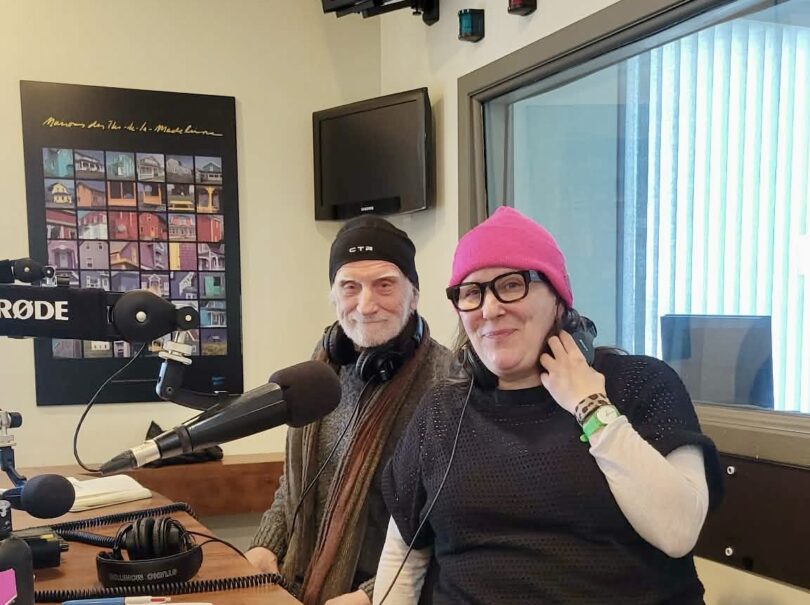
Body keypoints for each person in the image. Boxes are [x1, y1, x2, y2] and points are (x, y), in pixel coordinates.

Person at [374, 206, 723, 605]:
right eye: (471, 293)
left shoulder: (640, 384)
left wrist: (591, 406)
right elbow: (402, 558)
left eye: (511, 284)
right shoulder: (441, 412)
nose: (490, 309)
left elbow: (678, 531)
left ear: (558, 298)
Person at [247, 215, 451, 605]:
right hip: (298, 584)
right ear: (334, 296)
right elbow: (299, 482)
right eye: (350, 287)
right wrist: (266, 545)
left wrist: (371, 595)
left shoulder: (446, 384)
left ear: (414, 294)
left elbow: (449, 526)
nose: (366, 305)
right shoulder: (322, 369)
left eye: (384, 284)